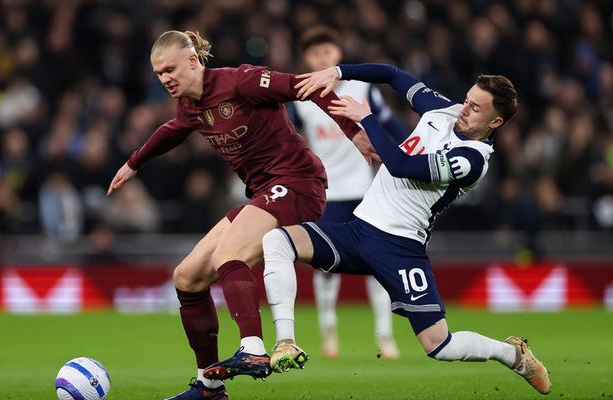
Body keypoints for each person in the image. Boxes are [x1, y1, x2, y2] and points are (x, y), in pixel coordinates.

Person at [107, 31, 377, 400]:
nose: (165, 78)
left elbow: (308, 86)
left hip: (297, 183)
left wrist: (354, 132)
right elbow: (173, 131)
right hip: (264, 193)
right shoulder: (189, 106)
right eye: (158, 73)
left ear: (192, 61)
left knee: (228, 254)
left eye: (170, 69)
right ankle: (209, 388)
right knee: (187, 277)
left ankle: (253, 348)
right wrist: (133, 163)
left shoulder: (243, 81)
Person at [262, 63, 551, 395]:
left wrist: (366, 118)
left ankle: (513, 355)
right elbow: (393, 75)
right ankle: (285, 342)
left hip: (401, 249)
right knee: (278, 241)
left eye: (475, 108)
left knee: (439, 345)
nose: (464, 109)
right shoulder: (443, 110)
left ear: (495, 122)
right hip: (358, 232)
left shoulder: (471, 160)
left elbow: (400, 165)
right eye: (467, 100)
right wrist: (339, 72)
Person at [288, 26, 400, 360]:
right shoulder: (301, 98)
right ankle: (328, 331)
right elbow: (287, 140)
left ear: (338, 54)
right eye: (315, 53)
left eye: (327, 51)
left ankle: (385, 335)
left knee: (377, 262)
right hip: (326, 193)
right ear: (306, 59)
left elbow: (390, 124)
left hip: (366, 190)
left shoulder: (361, 88)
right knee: (325, 266)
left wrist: (412, 149)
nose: (322, 58)